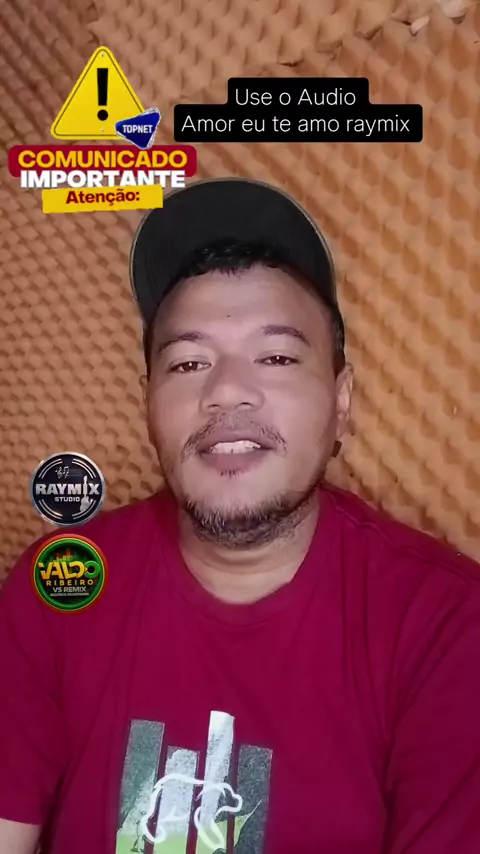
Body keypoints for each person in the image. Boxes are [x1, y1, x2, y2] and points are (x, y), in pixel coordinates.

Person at [0, 178, 479, 854]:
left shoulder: (448, 628)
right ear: (147, 403)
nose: (226, 390)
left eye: (276, 356)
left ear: (342, 401)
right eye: (188, 362)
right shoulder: (61, 584)